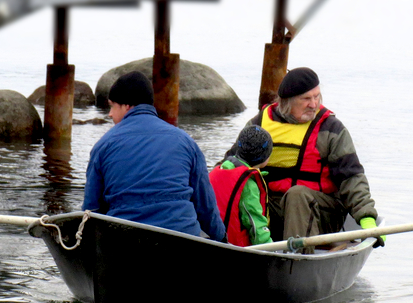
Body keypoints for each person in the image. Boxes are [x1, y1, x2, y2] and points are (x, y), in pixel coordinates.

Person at [229, 67, 383, 245]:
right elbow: (231, 166)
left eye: (317, 96)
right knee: (245, 191)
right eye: (306, 99)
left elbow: (351, 177)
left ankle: (297, 259)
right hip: (272, 209)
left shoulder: (331, 129)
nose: (314, 104)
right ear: (287, 102)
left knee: (297, 195)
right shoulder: (259, 125)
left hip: (320, 212)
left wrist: (367, 218)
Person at [83, 70, 226, 241]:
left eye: (112, 106)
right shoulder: (186, 142)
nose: (110, 114)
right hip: (183, 243)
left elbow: (91, 211)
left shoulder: (103, 146)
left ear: (127, 105)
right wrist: (222, 240)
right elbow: (206, 206)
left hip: (125, 243)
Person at [209, 126, 273, 247]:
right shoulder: (248, 184)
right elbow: (254, 223)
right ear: (265, 156)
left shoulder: (219, 170)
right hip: (235, 247)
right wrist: (269, 248)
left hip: (213, 240)